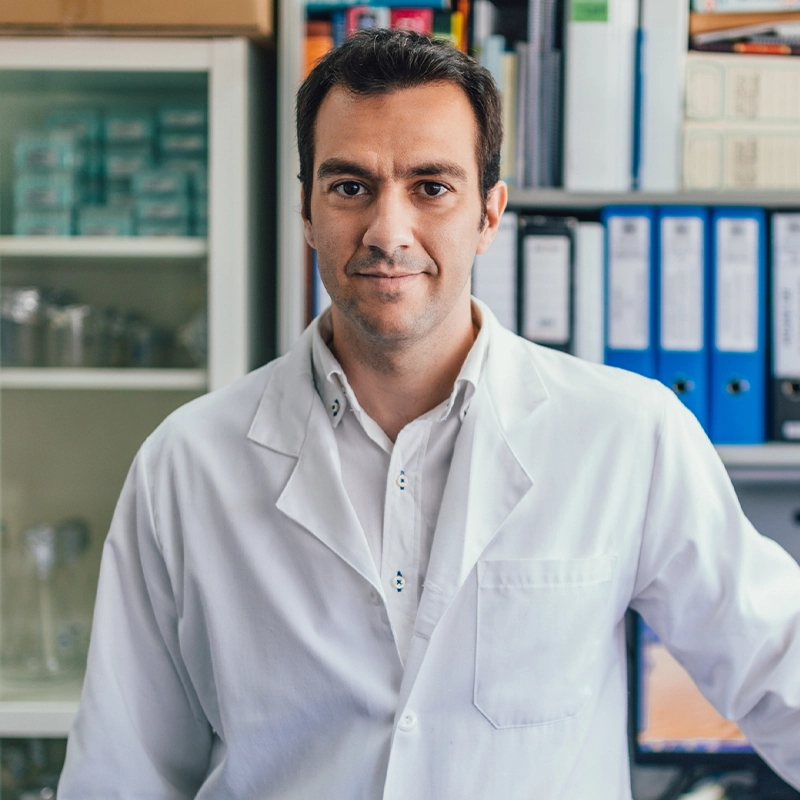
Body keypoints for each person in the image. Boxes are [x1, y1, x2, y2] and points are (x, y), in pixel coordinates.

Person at [58, 29, 800, 799]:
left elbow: (779, 664)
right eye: (350, 186)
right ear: (307, 211)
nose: (387, 231)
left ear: (489, 214)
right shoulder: (188, 464)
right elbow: (122, 772)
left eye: (431, 187)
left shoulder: (625, 433)